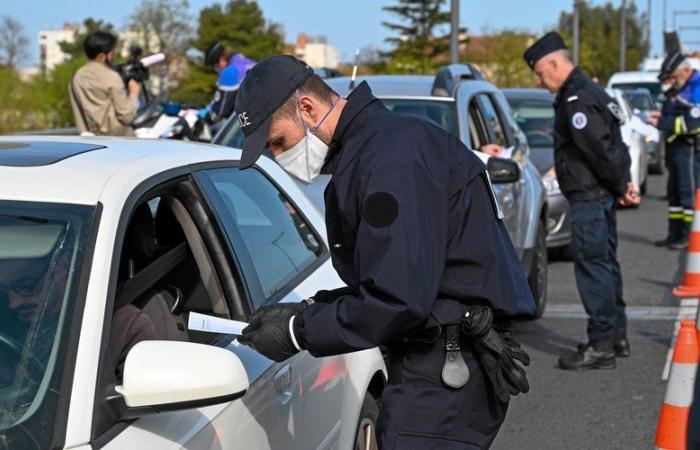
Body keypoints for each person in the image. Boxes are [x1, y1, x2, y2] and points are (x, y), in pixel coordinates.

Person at [234, 55, 535, 449]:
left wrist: (299, 331)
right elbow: (398, 275)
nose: (278, 156)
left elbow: (398, 297)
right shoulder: (384, 146)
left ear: (307, 108)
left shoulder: (388, 161)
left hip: (444, 370)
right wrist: (312, 308)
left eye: (278, 142)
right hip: (440, 357)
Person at [523, 32, 638, 371]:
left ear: (555, 64)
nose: (541, 82)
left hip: (590, 196)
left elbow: (601, 151)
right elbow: (612, 147)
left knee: (593, 267)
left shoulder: (577, 99)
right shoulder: (589, 91)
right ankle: (616, 336)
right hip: (598, 193)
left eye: (541, 74)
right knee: (605, 264)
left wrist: (620, 185)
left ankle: (601, 344)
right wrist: (621, 184)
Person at [650, 52, 700, 249]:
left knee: (687, 193)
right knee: (674, 194)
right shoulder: (681, 88)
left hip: (689, 149)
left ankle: (688, 236)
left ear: (686, 70)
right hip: (675, 148)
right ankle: (674, 233)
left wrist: (661, 122)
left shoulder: (696, 89)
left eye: (674, 77)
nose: (672, 81)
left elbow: (691, 124)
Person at [69, 31, 140, 136]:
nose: (114, 55)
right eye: (112, 53)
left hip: (89, 141)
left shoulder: (76, 77)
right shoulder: (111, 76)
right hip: (118, 140)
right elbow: (126, 116)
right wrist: (134, 93)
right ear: (102, 56)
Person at [198, 42, 256, 124]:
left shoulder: (229, 72)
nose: (216, 69)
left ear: (221, 59)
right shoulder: (240, 59)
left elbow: (221, 111)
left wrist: (205, 117)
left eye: (215, 66)